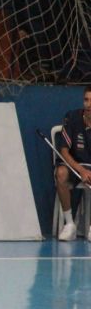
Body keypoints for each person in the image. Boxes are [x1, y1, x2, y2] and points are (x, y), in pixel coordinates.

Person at [55, 86, 91, 241]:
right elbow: (64, 151)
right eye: (86, 100)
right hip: (74, 166)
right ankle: (70, 224)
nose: (89, 104)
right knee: (61, 173)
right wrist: (81, 170)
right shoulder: (72, 118)